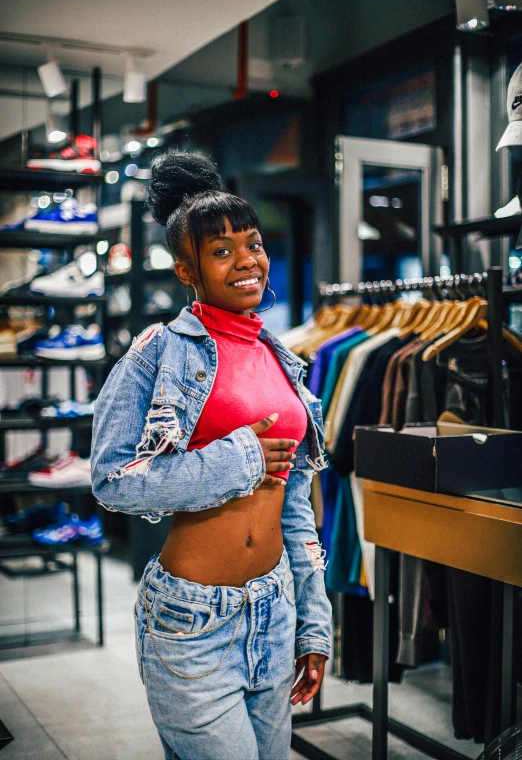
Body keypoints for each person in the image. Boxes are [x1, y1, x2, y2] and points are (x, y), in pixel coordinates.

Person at [91, 151, 332, 760]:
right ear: (185, 270)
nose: (247, 260)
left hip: (274, 611)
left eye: (252, 243)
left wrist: (312, 619)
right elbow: (112, 479)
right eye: (222, 251)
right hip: (192, 622)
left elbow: (295, 506)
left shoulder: (284, 359)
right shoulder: (156, 353)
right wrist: (239, 458)